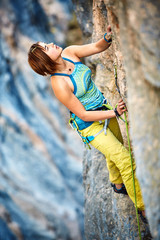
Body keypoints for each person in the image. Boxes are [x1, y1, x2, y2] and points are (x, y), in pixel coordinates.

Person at [28, 25, 146, 221]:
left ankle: (117, 184)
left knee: (115, 147)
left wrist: (108, 37)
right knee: (124, 158)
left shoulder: (70, 52)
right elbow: (82, 114)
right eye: (46, 48)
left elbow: (97, 47)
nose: (50, 43)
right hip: (90, 125)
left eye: (46, 44)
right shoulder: (59, 84)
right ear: (45, 60)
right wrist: (114, 113)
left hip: (103, 109)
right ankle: (142, 207)